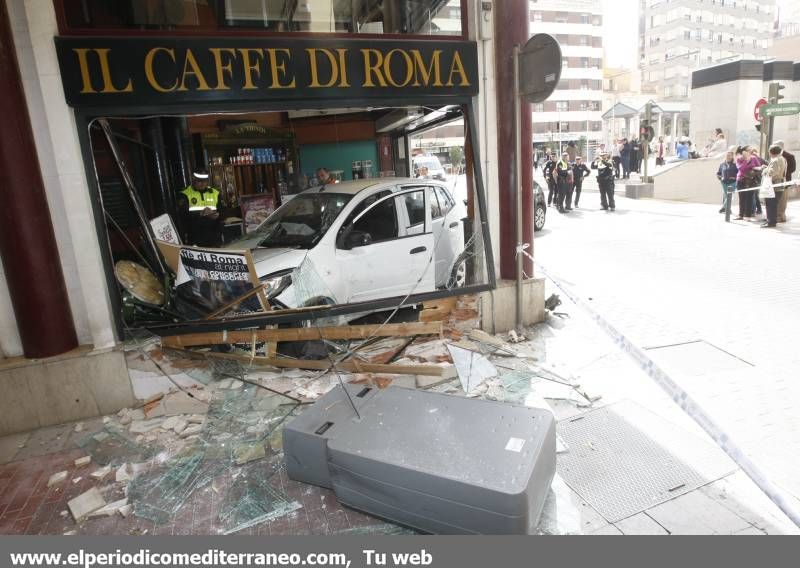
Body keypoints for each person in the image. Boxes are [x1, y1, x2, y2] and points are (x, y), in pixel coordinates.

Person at [178, 169, 223, 247]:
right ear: (193, 179)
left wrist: (218, 215)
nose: (202, 184)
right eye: (199, 181)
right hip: (195, 238)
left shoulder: (215, 193)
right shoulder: (185, 194)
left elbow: (223, 211)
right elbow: (182, 216)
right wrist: (200, 214)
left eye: (205, 181)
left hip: (214, 238)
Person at [762, 145, 787, 228]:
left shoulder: (775, 160)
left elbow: (773, 172)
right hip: (780, 184)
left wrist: (765, 170)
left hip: (773, 185)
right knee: (773, 204)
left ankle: (771, 222)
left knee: (770, 204)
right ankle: (772, 220)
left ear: (770, 152)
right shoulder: (782, 159)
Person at [734, 146, 762, 221]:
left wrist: (756, 169)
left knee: (749, 198)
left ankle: (748, 215)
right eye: (748, 150)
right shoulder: (739, 159)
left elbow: (759, 167)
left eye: (750, 150)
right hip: (741, 180)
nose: (750, 152)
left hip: (751, 180)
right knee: (742, 198)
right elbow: (741, 169)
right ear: (743, 152)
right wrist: (746, 160)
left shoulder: (754, 158)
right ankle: (741, 214)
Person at [775, 141, 795, 223]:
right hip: (775, 182)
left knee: (782, 200)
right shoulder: (775, 155)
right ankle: (777, 215)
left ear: (780, 147)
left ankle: (781, 216)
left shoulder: (789, 156)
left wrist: (783, 173)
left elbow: (793, 168)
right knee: (777, 199)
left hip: (785, 181)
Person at [716, 149, 738, 214]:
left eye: (729, 155)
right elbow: (718, 173)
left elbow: (738, 173)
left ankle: (724, 207)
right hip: (724, 182)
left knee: (729, 196)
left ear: (732, 156)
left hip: (732, 182)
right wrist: (720, 177)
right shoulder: (722, 164)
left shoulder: (735, 164)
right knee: (726, 196)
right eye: (727, 155)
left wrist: (734, 177)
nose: (728, 156)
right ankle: (728, 209)